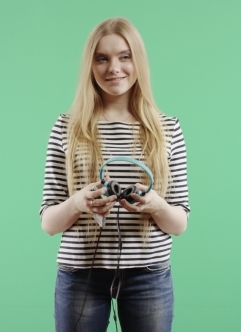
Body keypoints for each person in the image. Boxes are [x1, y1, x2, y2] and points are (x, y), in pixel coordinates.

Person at [39, 17, 190, 332]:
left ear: (138, 61)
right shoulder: (65, 127)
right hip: (80, 274)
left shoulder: (168, 129)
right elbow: (49, 223)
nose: (114, 68)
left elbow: (179, 224)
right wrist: (79, 203)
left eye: (125, 56)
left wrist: (156, 205)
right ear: (90, 66)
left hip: (148, 275)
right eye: (102, 58)